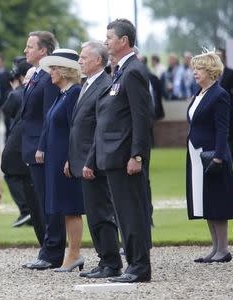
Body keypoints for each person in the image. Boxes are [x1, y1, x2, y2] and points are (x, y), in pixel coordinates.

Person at [92, 18, 152, 283]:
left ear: (124, 41)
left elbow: (141, 118)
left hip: (126, 156)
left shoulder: (134, 71)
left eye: (110, 37)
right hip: (114, 156)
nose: (106, 42)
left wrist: (137, 155)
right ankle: (133, 264)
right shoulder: (119, 71)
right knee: (124, 214)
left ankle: (139, 267)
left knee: (132, 214)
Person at [67, 41, 122, 278]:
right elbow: (79, 126)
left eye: (83, 57)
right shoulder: (87, 84)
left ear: (98, 60)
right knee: (93, 213)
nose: (79, 61)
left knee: (102, 213)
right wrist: (72, 159)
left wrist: (89, 161)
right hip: (82, 160)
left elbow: (101, 129)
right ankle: (103, 259)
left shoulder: (103, 85)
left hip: (95, 162)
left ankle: (112, 262)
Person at [186, 52, 233, 264]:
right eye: (194, 69)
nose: (195, 73)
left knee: (217, 201)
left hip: (211, 155)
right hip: (196, 154)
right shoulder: (199, 93)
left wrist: (218, 157)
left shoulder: (219, 95)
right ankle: (215, 247)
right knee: (204, 201)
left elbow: (222, 129)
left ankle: (223, 249)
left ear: (210, 71)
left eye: (198, 69)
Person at [36, 49, 84, 272]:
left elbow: (75, 129)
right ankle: (71, 253)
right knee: (64, 208)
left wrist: (69, 159)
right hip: (55, 160)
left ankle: (74, 254)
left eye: (54, 68)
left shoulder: (74, 93)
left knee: (71, 206)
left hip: (65, 160)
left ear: (65, 71)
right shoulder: (62, 93)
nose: (50, 72)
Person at [21, 31, 63, 270]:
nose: (25, 51)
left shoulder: (48, 77)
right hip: (30, 145)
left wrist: (42, 147)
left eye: (30, 47)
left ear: (43, 51)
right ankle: (47, 249)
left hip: (41, 147)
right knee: (40, 201)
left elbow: (49, 115)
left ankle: (53, 252)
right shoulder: (36, 75)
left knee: (49, 201)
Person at [1, 60, 34, 227]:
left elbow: (7, 110)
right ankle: (32, 211)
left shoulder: (17, 92)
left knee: (8, 169)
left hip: (19, 136)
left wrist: (14, 90)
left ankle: (26, 209)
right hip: (33, 139)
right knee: (29, 175)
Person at [216, 49, 233, 162]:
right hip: (215, 109)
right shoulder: (212, 73)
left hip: (229, 108)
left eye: (219, 56)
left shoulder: (230, 72)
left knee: (230, 133)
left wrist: (230, 100)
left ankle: (231, 158)